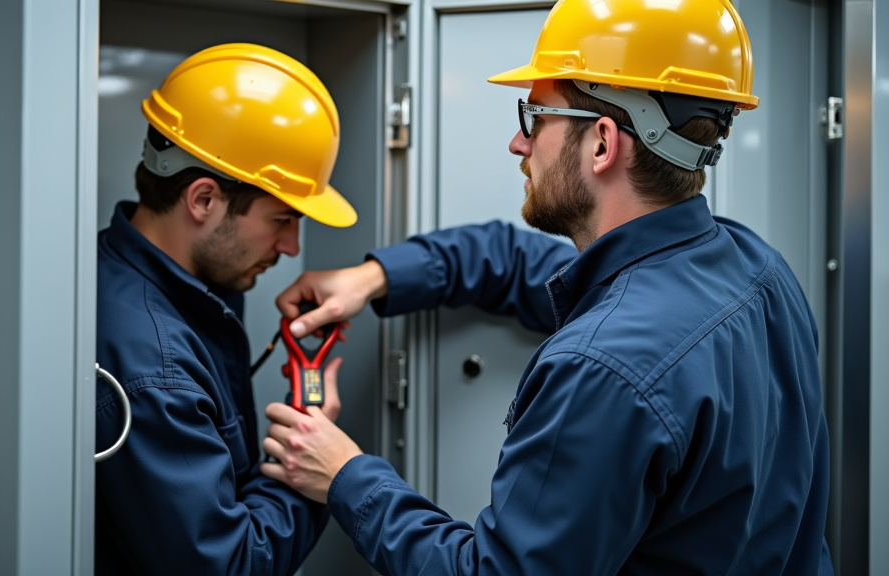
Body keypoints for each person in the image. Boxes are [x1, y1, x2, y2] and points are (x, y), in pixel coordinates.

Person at [260, 1, 836, 574]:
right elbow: (517, 261)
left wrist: (346, 475)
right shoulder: (758, 269)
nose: (519, 143)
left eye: (534, 116)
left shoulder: (602, 366)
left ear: (603, 142)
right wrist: (378, 277)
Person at [93, 43, 356, 575]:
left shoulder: (123, 272)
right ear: (203, 200)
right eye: (282, 219)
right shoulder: (156, 369)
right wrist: (303, 461)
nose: (292, 248)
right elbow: (231, 565)